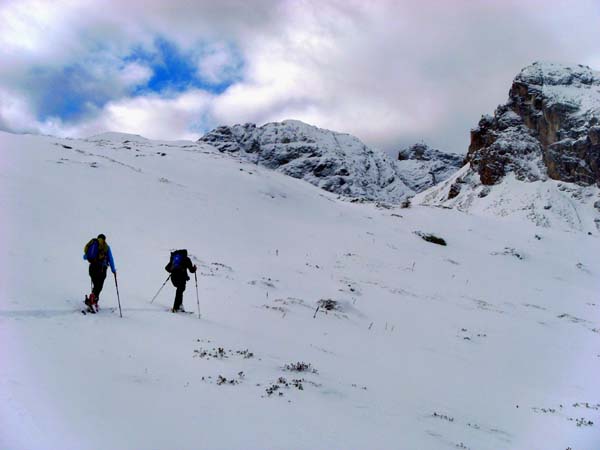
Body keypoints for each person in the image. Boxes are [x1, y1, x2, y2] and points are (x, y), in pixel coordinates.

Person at [83, 233, 116, 311]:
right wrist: (113, 270)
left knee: (96, 285)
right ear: (104, 239)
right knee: (99, 286)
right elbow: (111, 259)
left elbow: (85, 257)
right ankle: (93, 301)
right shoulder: (106, 247)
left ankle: (93, 300)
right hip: (101, 269)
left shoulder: (93, 244)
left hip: (92, 268)